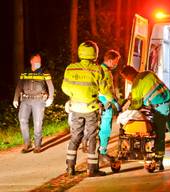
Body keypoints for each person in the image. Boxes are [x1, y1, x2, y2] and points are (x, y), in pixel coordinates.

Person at [62, 41, 114, 176]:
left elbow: (65, 88)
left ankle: (70, 168)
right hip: (91, 109)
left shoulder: (71, 68)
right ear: (95, 54)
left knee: (75, 137)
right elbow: (104, 90)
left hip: (75, 108)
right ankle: (92, 169)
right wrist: (112, 100)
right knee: (91, 137)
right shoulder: (97, 69)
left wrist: (75, 95)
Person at [120, 66, 170, 170]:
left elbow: (136, 105)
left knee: (160, 135)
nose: (127, 81)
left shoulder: (136, 84)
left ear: (128, 76)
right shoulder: (149, 73)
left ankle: (159, 161)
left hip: (159, 108)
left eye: (125, 78)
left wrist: (129, 108)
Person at [13, 53, 54, 153]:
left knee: (38, 122)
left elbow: (50, 86)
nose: (38, 63)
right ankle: (27, 143)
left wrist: (50, 98)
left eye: (39, 61)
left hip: (39, 100)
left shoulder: (44, 71)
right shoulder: (25, 72)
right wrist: (15, 98)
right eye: (36, 61)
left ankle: (37, 145)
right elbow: (19, 85)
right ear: (31, 61)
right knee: (22, 120)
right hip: (25, 100)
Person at [97, 50, 121, 161]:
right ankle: (102, 152)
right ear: (110, 60)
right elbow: (105, 90)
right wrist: (114, 101)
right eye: (116, 61)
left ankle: (100, 150)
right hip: (105, 101)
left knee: (102, 127)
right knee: (106, 127)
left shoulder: (101, 69)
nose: (116, 64)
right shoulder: (104, 71)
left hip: (102, 100)